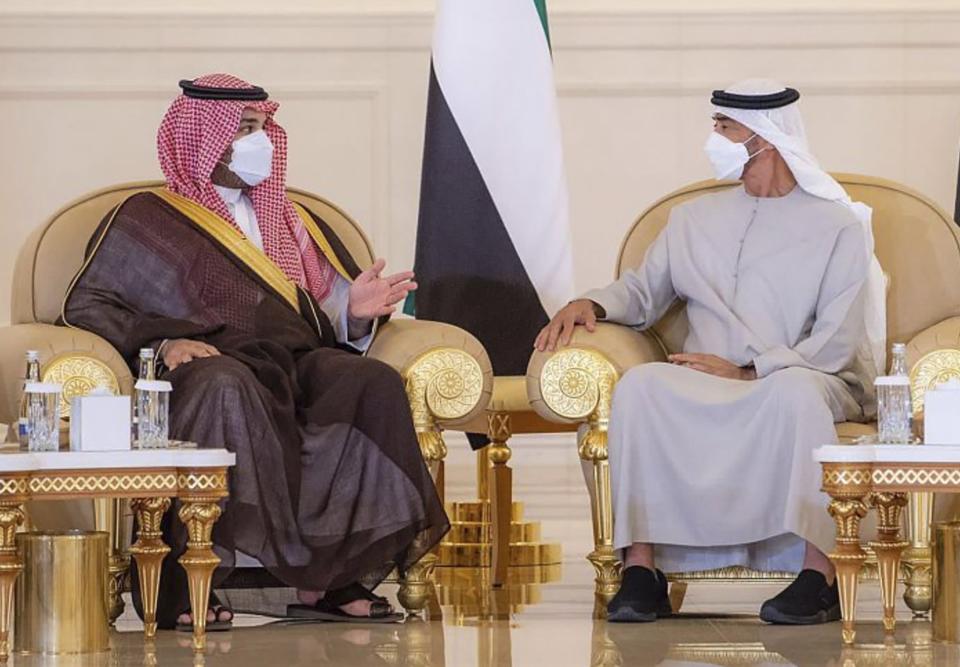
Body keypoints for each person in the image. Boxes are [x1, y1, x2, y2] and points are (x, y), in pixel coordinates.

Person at [60, 73, 449, 628]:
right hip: (208, 362)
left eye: (264, 126)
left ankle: (333, 581)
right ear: (200, 135)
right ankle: (197, 579)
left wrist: (353, 312)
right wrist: (166, 342)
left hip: (291, 359)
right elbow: (91, 303)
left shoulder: (289, 216)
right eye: (244, 128)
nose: (259, 140)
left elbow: (318, 310)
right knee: (226, 386)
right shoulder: (149, 216)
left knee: (372, 383)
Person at [536, 79, 886, 625]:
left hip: (804, 374)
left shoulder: (837, 225)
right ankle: (642, 570)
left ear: (763, 139)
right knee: (642, 387)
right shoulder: (692, 219)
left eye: (723, 128)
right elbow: (643, 290)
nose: (713, 139)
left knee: (794, 395)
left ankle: (820, 574)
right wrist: (590, 304)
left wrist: (751, 370)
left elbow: (836, 343)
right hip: (705, 375)